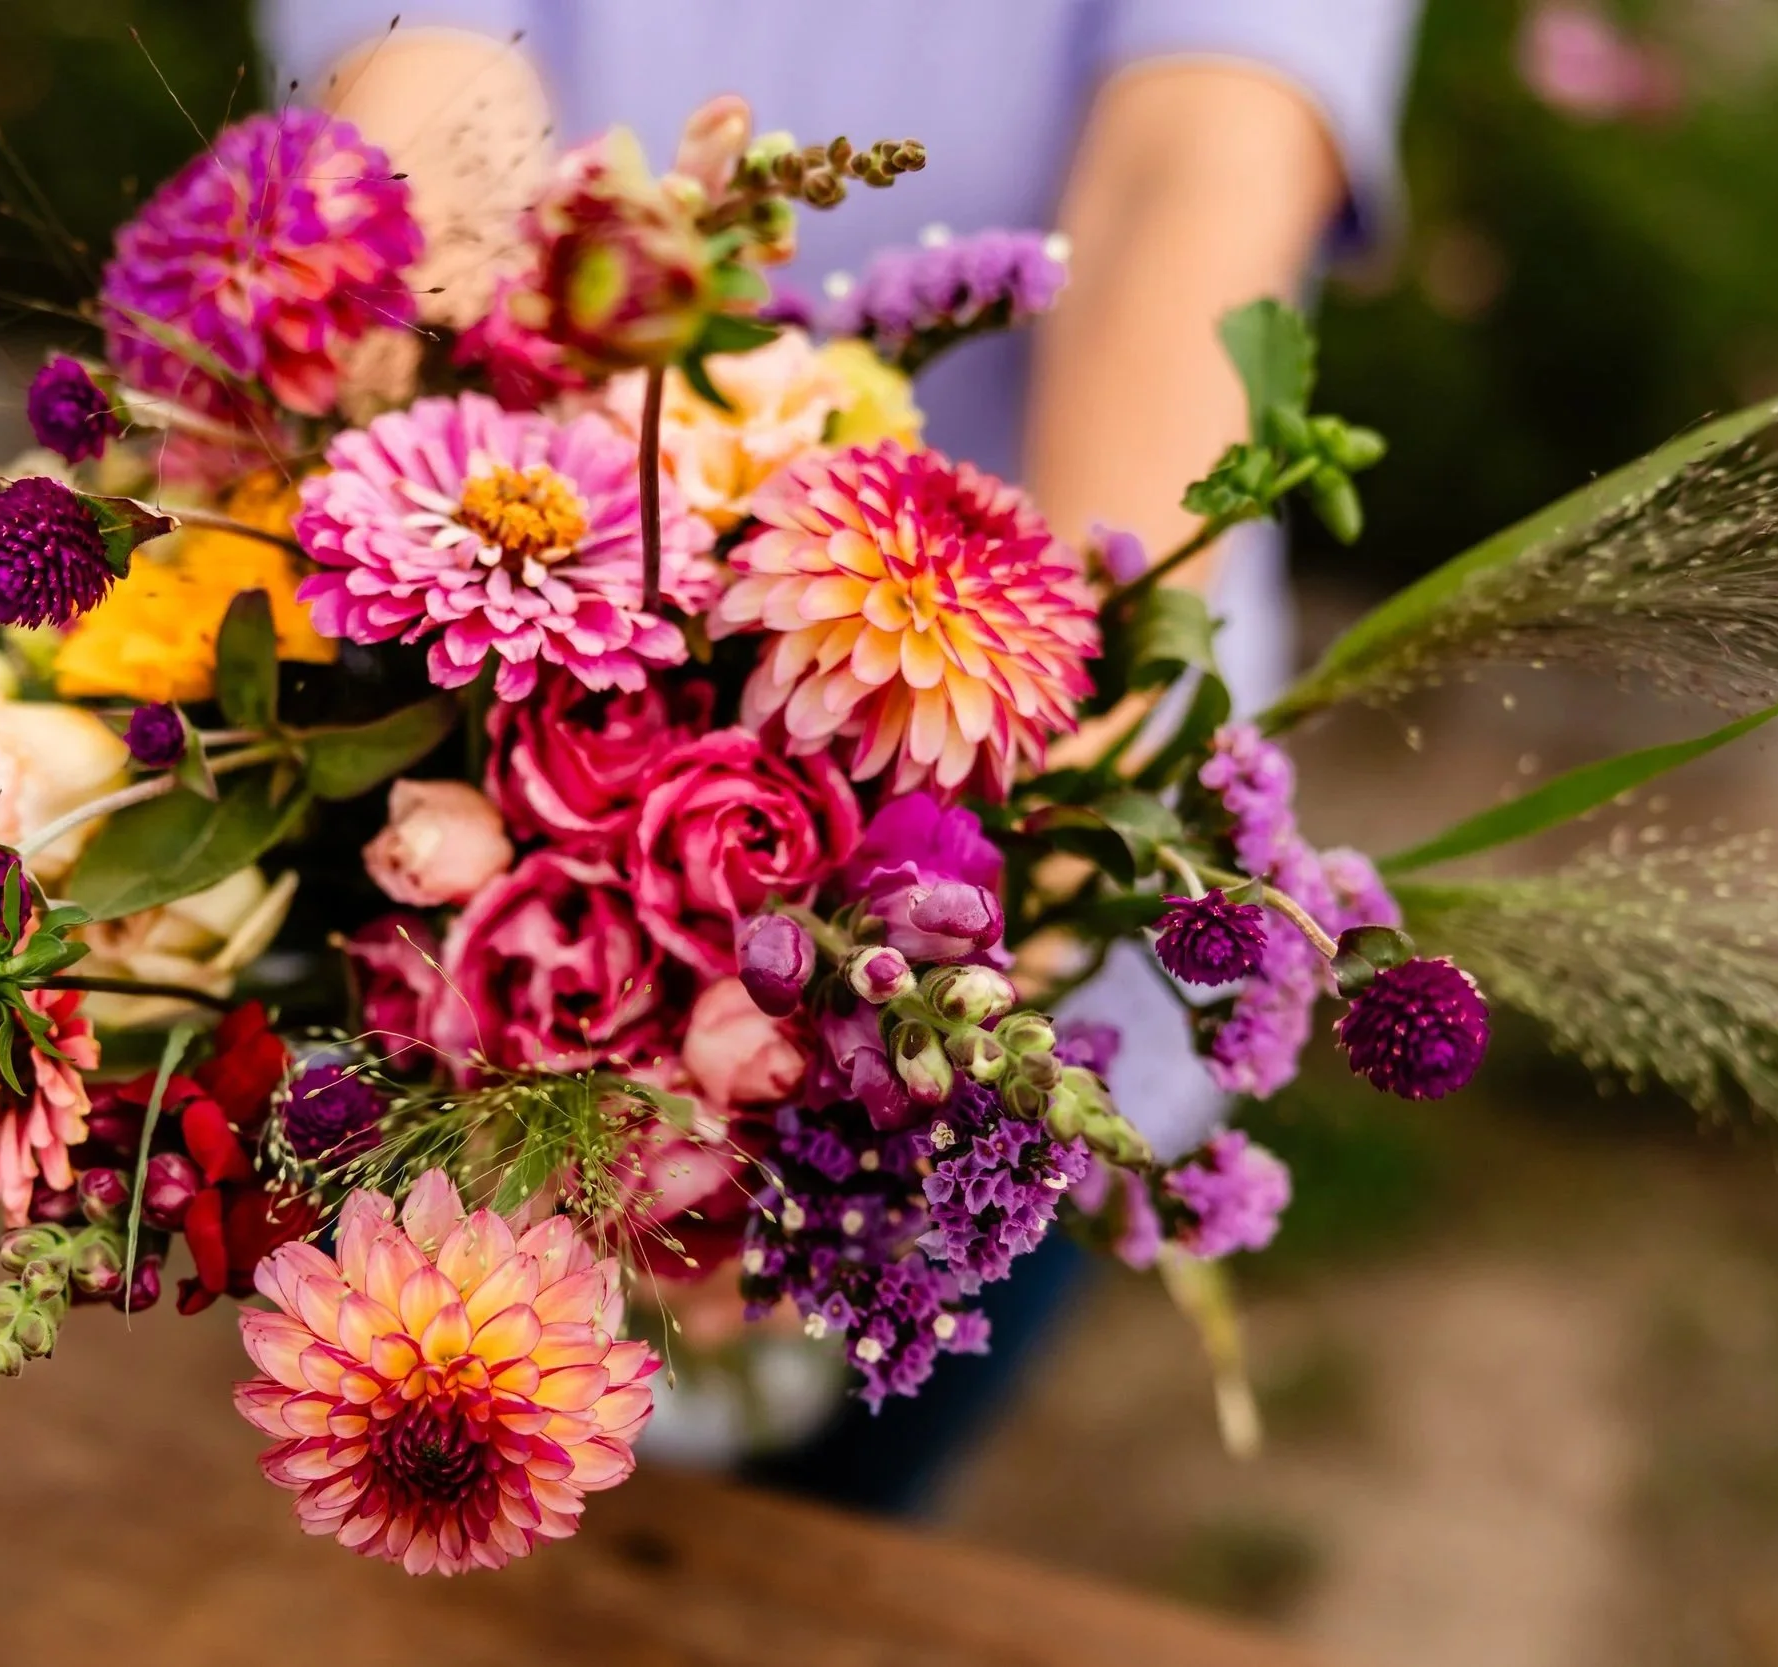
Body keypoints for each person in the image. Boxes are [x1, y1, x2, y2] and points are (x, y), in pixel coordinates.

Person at [265, 0, 1423, 1512]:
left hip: (1028, 839)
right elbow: (428, 105)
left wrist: (961, 1010)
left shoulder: (1020, 890)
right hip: (507, 789)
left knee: (846, 1519)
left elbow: (1190, 186)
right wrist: (494, 582)